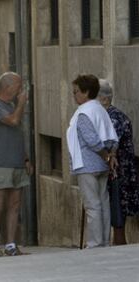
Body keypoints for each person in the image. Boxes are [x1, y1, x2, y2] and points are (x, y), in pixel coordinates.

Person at [0, 72, 32, 257]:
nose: (21, 90)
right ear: (8, 87)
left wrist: (26, 158)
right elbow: (13, 121)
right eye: (19, 86)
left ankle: (11, 244)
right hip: (0, 162)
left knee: (15, 204)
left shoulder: (12, 105)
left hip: (16, 162)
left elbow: (17, 134)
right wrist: (21, 104)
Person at [66, 74, 118, 249]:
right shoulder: (100, 109)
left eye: (76, 92)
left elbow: (91, 139)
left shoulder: (83, 113)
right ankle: (103, 241)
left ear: (86, 92)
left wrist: (105, 155)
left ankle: (95, 244)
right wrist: (110, 155)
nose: (74, 95)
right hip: (102, 165)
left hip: (87, 164)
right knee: (103, 203)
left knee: (92, 206)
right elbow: (112, 136)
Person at [97, 79, 139, 245]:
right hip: (111, 172)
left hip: (118, 173)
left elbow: (108, 143)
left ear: (105, 99)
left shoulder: (115, 118)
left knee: (117, 213)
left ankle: (119, 245)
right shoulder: (104, 116)